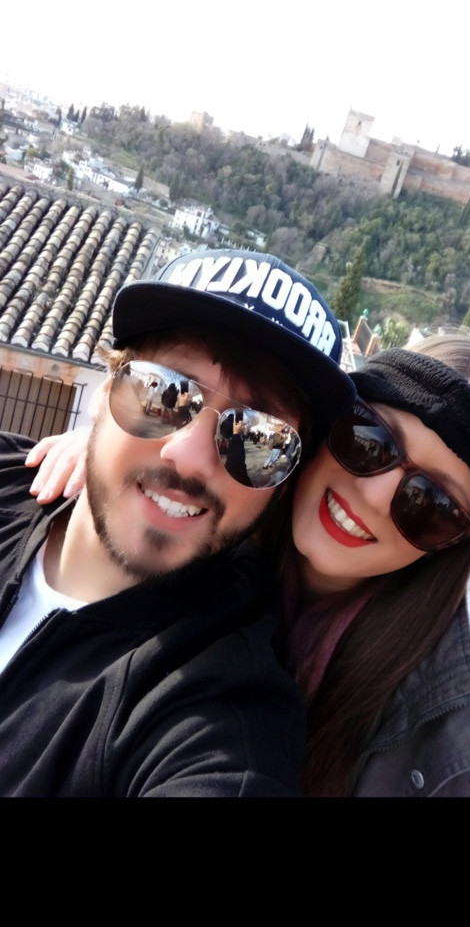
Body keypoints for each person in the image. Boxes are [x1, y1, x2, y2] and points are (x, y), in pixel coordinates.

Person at [29, 332, 470, 797]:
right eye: (369, 440)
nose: (374, 496)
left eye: (429, 502)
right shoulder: (230, 514)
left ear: (453, 545)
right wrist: (111, 456)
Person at [0, 246, 355, 797]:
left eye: (258, 438)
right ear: (104, 392)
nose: (189, 458)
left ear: (281, 486)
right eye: (163, 391)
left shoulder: (221, 715)